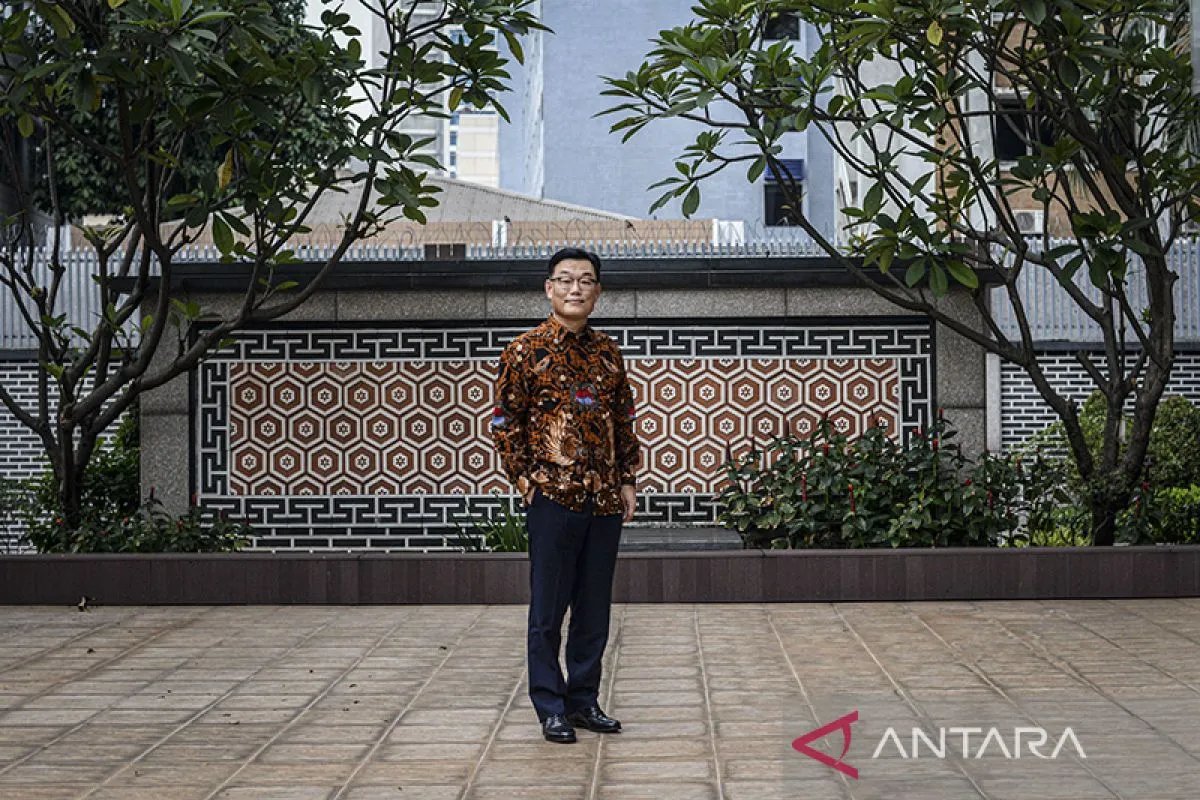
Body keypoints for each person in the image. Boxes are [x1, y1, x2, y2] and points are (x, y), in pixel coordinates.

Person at [489, 247, 640, 744]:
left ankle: (584, 701)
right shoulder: (524, 351)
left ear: (598, 292)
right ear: (548, 288)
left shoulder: (609, 353)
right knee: (548, 611)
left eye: (586, 280)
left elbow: (623, 419)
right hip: (552, 499)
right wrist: (523, 479)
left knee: (594, 609)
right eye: (566, 279)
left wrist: (627, 479)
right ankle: (549, 706)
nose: (576, 288)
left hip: (604, 501)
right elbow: (504, 422)